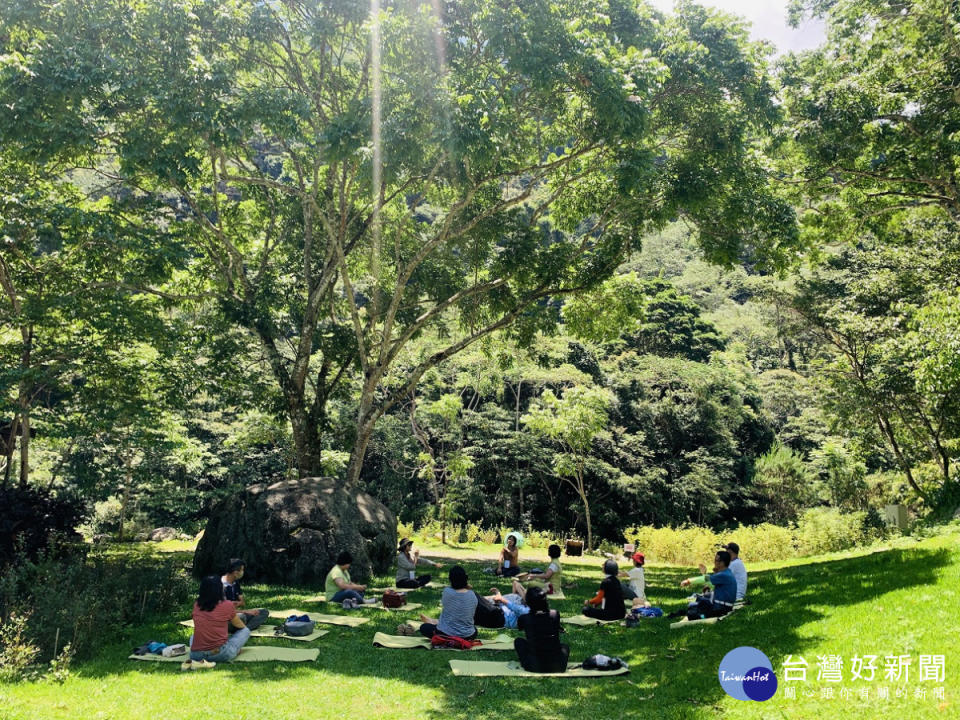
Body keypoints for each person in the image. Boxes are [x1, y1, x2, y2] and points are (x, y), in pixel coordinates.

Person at [188, 575, 251, 664]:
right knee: (246, 631)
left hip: (196, 655)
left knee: (193, 636)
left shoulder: (197, 604)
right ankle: (235, 650)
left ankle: (230, 648)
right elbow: (241, 626)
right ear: (220, 588)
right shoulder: (227, 604)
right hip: (220, 654)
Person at [514, 586, 569, 673]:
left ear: (528, 602)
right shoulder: (555, 614)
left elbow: (520, 627)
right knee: (564, 646)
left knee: (518, 641)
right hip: (558, 666)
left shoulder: (524, 618)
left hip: (533, 666)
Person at [672, 550, 737, 620]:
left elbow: (706, 579)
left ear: (722, 563)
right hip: (721, 606)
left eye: (716, 560)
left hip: (720, 608)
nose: (714, 562)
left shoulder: (724, 574)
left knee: (693, 613)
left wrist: (688, 581)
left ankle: (693, 614)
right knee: (695, 604)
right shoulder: (727, 573)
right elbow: (712, 585)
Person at [418, 565, 478, 639]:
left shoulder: (447, 591)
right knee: (474, 629)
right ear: (465, 578)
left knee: (424, 627)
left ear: (450, 579)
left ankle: (433, 622)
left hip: (446, 634)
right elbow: (468, 587)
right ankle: (434, 622)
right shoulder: (472, 594)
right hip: (468, 636)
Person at [221, 558, 268, 630]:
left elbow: (242, 603)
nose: (243, 572)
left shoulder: (235, 583)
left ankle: (245, 628)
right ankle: (245, 627)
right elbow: (224, 611)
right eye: (242, 570)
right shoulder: (219, 585)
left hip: (236, 613)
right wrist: (245, 611)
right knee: (242, 617)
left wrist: (236, 603)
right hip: (226, 618)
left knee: (263, 612)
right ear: (235, 572)